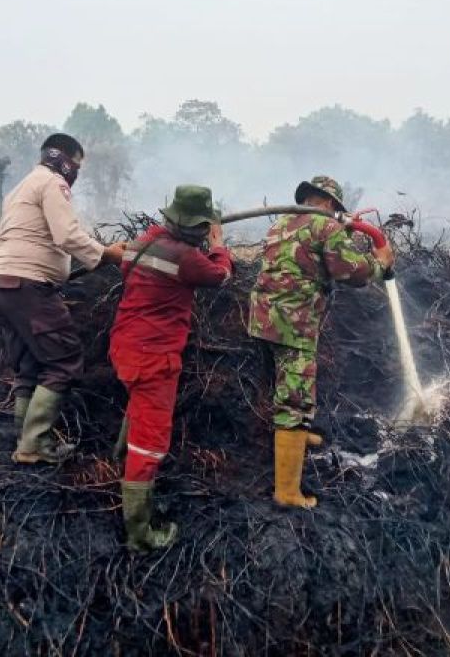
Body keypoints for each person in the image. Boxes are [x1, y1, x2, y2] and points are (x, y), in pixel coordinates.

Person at [247, 175, 395, 508]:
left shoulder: (283, 223)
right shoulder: (325, 227)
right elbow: (350, 272)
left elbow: (307, 256)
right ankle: (287, 492)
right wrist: (380, 263)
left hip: (263, 318)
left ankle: (297, 437)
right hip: (293, 324)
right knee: (295, 398)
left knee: (282, 384)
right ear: (329, 203)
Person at [0, 133, 126, 464]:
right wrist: (107, 254)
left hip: (3, 284)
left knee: (29, 365)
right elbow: (66, 235)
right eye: (76, 164)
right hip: (29, 286)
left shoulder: (20, 188)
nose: (76, 172)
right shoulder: (52, 183)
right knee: (64, 360)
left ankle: (25, 442)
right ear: (64, 159)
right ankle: (34, 446)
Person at [109, 185, 233, 552]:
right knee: (151, 442)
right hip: (154, 357)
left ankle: (120, 461)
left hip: (125, 345)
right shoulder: (187, 258)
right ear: (196, 226)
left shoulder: (143, 241)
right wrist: (219, 243)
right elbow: (221, 275)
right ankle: (139, 531)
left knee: (138, 407)